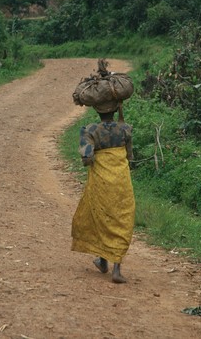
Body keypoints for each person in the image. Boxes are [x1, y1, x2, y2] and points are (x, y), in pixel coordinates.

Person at [71, 103, 135, 283]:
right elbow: (129, 156)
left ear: (96, 109)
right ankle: (116, 268)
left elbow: (87, 159)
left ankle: (102, 260)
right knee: (120, 219)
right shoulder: (125, 129)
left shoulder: (89, 130)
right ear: (115, 110)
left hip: (100, 182)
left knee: (101, 217)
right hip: (122, 182)